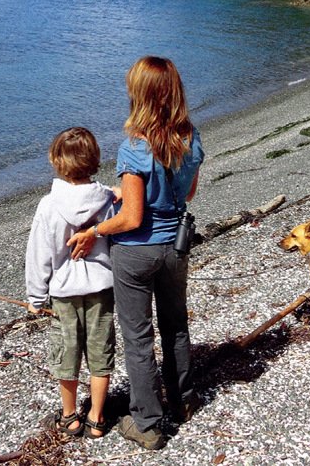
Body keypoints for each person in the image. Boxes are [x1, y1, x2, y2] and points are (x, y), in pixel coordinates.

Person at [69, 56, 204, 451]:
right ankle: (183, 401)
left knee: (138, 337)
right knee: (176, 326)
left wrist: (93, 230)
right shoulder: (190, 136)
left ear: (139, 94)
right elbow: (188, 193)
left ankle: (146, 422)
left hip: (136, 253)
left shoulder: (134, 147)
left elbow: (130, 218)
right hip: (175, 248)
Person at [25, 127, 121, 438]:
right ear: (94, 160)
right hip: (101, 288)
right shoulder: (106, 199)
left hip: (65, 293)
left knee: (67, 351)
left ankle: (69, 416)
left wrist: (35, 298)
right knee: (100, 351)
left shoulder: (49, 205)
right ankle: (96, 416)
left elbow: (39, 255)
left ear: (56, 161)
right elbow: (116, 234)